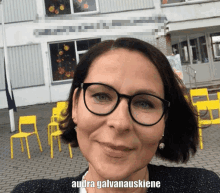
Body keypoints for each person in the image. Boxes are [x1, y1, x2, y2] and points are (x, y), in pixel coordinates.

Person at [12, 37, 220, 193]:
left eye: (144, 103)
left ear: (165, 120)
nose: (120, 123)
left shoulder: (203, 187)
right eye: (101, 96)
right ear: (75, 106)